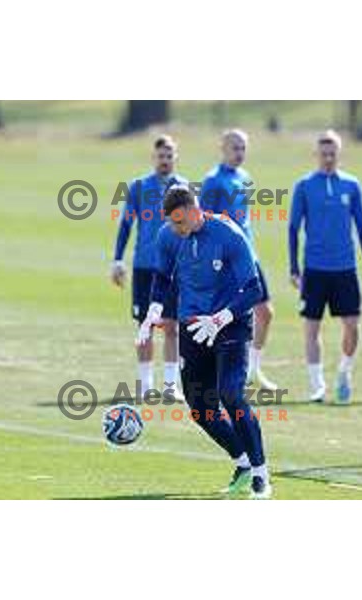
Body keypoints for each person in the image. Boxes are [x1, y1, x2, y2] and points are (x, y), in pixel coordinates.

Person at [138, 185, 271, 499]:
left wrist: (220, 319)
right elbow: (162, 278)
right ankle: (242, 463)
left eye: (181, 222)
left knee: (231, 394)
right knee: (199, 407)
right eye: (172, 223)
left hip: (230, 324)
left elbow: (252, 291)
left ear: (195, 210)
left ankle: (261, 475)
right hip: (193, 327)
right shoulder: (169, 235)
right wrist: (152, 313)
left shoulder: (229, 235)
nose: (176, 229)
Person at [288, 130, 362, 403]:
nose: (328, 158)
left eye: (332, 154)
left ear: (339, 154)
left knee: (352, 325)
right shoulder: (304, 186)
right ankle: (317, 385)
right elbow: (293, 228)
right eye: (323, 154)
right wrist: (294, 267)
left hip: (345, 268)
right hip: (314, 269)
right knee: (311, 329)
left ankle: (344, 371)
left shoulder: (351, 185)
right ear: (316, 155)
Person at [110, 134, 187, 401]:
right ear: (153, 158)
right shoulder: (139, 187)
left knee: (172, 326)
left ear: (175, 157)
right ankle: (145, 385)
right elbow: (126, 224)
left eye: (169, 156)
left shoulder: (184, 188)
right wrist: (118, 260)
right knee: (145, 325)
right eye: (160, 156)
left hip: (174, 268)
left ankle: (170, 386)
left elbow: (191, 228)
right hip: (145, 267)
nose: (165, 161)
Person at [200, 129, 277, 391]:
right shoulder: (213, 181)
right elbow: (204, 222)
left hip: (249, 257)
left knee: (265, 313)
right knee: (226, 317)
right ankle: (205, 372)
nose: (239, 153)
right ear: (222, 148)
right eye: (235, 148)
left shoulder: (245, 177)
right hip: (226, 261)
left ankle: (252, 370)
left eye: (243, 148)